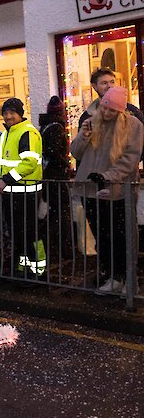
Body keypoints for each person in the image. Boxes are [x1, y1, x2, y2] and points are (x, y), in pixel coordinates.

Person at [71, 86, 142, 295]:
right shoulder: (92, 122)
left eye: (112, 110)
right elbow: (75, 152)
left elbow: (130, 159)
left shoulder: (133, 125)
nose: (107, 113)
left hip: (118, 190)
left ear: (121, 111)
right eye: (104, 108)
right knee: (103, 237)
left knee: (123, 237)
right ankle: (113, 276)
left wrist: (107, 177)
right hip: (91, 189)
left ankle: (128, 279)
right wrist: (83, 137)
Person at [0, 97, 46, 279]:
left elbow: (29, 164)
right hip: (15, 192)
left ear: (20, 114)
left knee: (29, 232)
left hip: (26, 192)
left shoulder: (26, 132)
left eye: (11, 113)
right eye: (5, 113)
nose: (8, 116)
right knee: (19, 232)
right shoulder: (10, 132)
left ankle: (37, 271)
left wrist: (5, 180)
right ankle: (24, 268)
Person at [39, 96, 73, 260]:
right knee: (61, 212)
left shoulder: (45, 126)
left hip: (48, 176)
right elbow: (53, 152)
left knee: (54, 212)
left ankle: (52, 247)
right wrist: (66, 163)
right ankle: (61, 249)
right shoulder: (56, 128)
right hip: (56, 176)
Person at [78, 68, 144, 131]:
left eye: (112, 82)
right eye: (104, 83)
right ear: (95, 87)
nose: (109, 86)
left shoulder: (132, 111)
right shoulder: (87, 117)